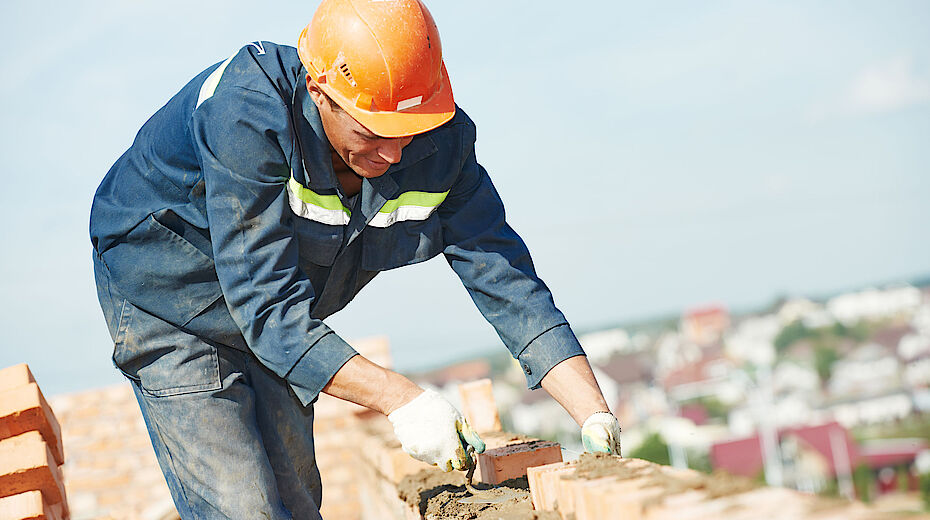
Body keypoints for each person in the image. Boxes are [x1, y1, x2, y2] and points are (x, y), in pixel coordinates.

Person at [89, 0, 621, 518]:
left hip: (279, 309)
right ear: (320, 91)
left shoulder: (440, 142)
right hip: (168, 293)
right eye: (371, 133)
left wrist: (593, 412)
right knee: (242, 506)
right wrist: (403, 399)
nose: (393, 155)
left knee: (296, 499)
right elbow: (265, 306)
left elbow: (507, 280)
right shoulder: (246, 112)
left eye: (402, 132)